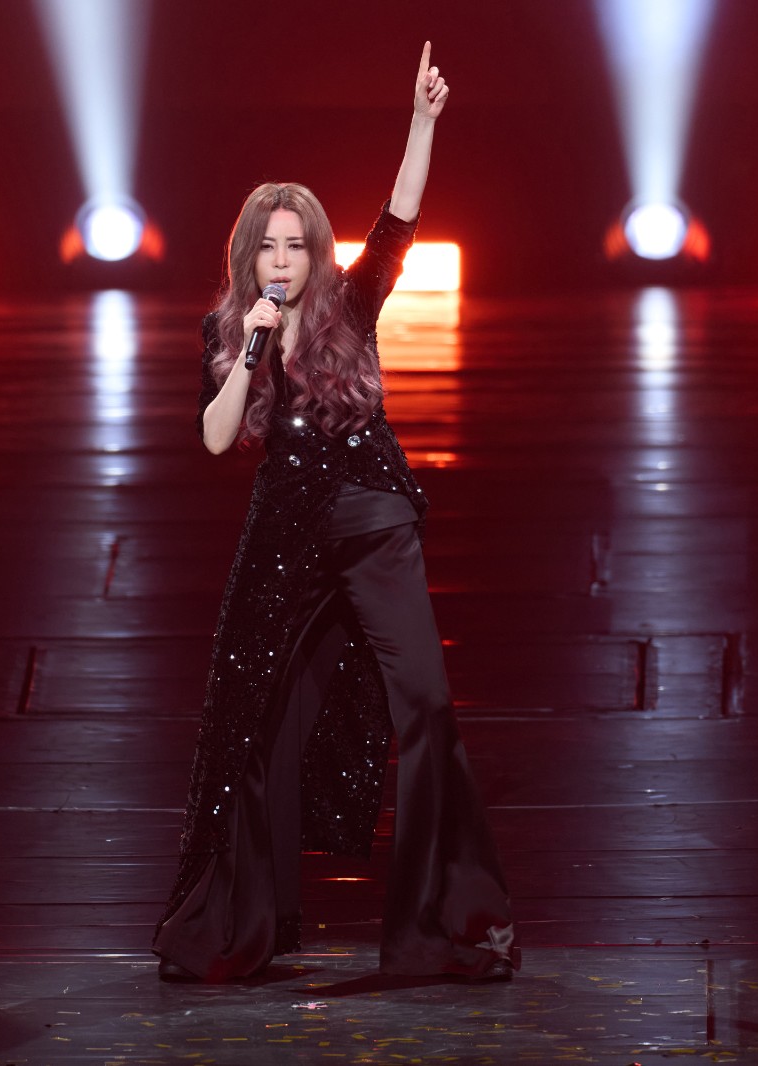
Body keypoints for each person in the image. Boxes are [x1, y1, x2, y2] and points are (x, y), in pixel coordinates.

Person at [153, 42, 517, 984]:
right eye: (267, 246)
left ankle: (450, 923)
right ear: (248, 256)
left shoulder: (351, 305)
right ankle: (241, 922)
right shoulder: (229, 330)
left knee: (425, 703)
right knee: (252, 719)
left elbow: (398, 216)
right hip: (285, 538)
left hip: (371, 522)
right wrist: (249, 355)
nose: (282, 261)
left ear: (316, 251)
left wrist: (423, 122)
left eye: (296, 245)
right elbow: (216, 438)